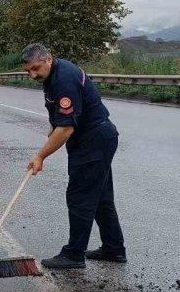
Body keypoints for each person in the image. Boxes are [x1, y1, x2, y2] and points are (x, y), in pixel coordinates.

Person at [21, 43, 127, 270]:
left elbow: (67, 128)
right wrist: (53, 128)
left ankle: (74, 255)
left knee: (80, 198)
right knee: (101, 198)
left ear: (49, 59)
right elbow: (59, 118)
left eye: (36, 68)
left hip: (94, 141)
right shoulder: (53, 75)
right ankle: (113, 248)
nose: (32, 75)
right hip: (97, 138)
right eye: (28, 71)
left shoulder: (64, 79)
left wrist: (40, 156)